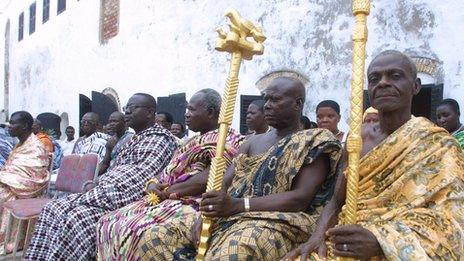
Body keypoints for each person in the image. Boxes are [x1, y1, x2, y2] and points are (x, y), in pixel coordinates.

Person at [135, 77, 342, 260]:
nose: (267, 105)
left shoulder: (314, 141)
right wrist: (205, 215)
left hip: (283, 220)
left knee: (233, 253)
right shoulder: (252, 142)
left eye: (275, 100)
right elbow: (224, 183)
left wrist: (238, 206)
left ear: (297, 104)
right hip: (233, 215)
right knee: (153, 238)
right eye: (266, 99)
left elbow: (300, 198)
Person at [284, 50, 464, 260]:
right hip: (345, 240)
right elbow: (336, 200)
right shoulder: (357, 139)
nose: (383, 83)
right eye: (374, 78)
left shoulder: (439, 145)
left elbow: (452, 221)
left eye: (395, 76)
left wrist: (381, 241)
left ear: (415, 86)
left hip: (400, 247)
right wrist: (317, 237)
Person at [25, 93, 178, 260]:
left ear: (149, 112)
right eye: (126, 108)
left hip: (130, 199)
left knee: (78, 217)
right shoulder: (136, 138)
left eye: (132, 108)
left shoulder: (159, 138)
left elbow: (140, 177)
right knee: (52, 209)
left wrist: (96, 190)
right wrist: (97, 184)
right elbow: (116, 171)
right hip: (109, 192)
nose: (126, 112)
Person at [96, 89, 244, 260]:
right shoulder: (192, 141)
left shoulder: (229, 139)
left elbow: (213, 176)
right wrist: (152, 183)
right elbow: (169, 169)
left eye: (192, 109)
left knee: (135, 229)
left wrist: (169, 191)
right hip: (167, 196)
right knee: (107, 221)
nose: (186, 114)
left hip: (193, 201)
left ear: (210, 112)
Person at [0, 111, 49, 245]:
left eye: (13, 123)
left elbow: (35, 182)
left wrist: (3, 177)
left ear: (25, 126)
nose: (9, 126)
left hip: (23, 192)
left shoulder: (36, 147)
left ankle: (9, 240)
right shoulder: (19, 145)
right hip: (10, 186)